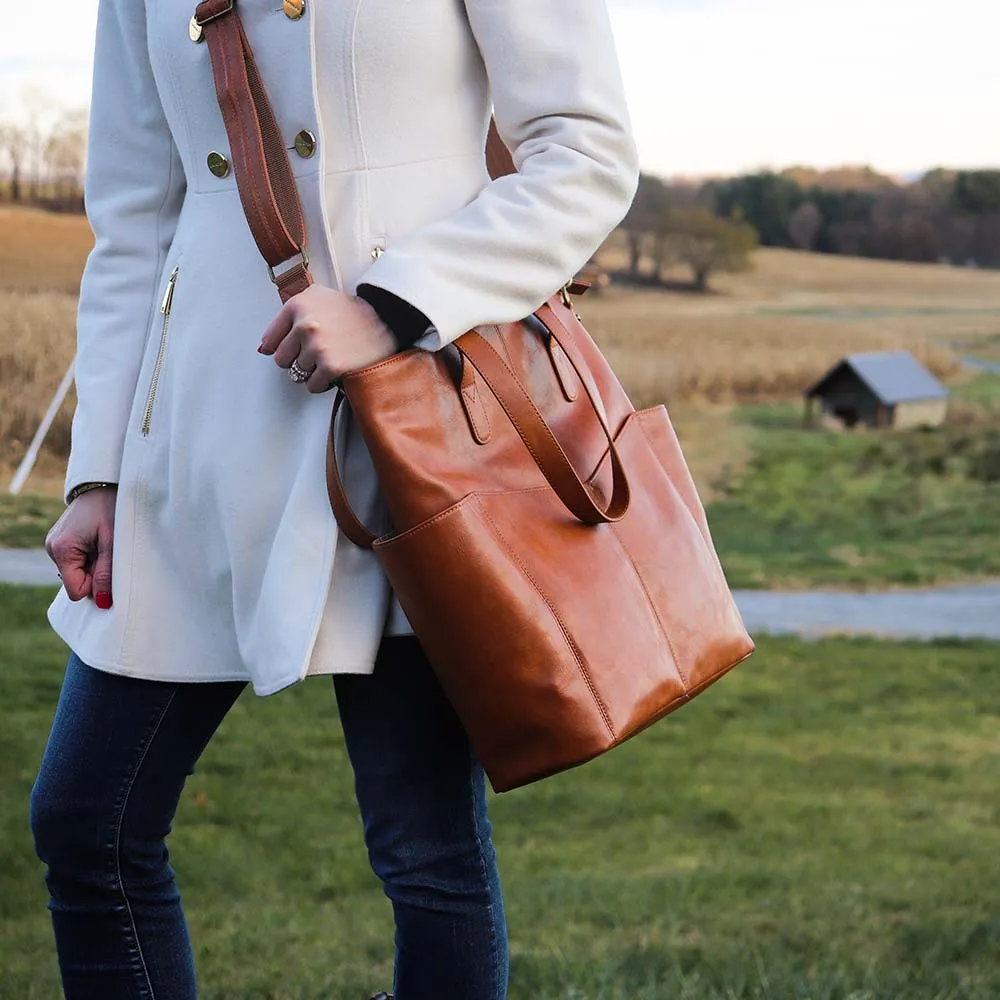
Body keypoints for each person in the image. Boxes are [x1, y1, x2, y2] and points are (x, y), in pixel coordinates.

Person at [29, 0, 640, 996]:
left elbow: (585, 151)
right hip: (190, 440)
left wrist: (394, 303)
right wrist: (97, 470)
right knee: (86, 820)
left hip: (412, 431)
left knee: (424, 852)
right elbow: (135, 220)